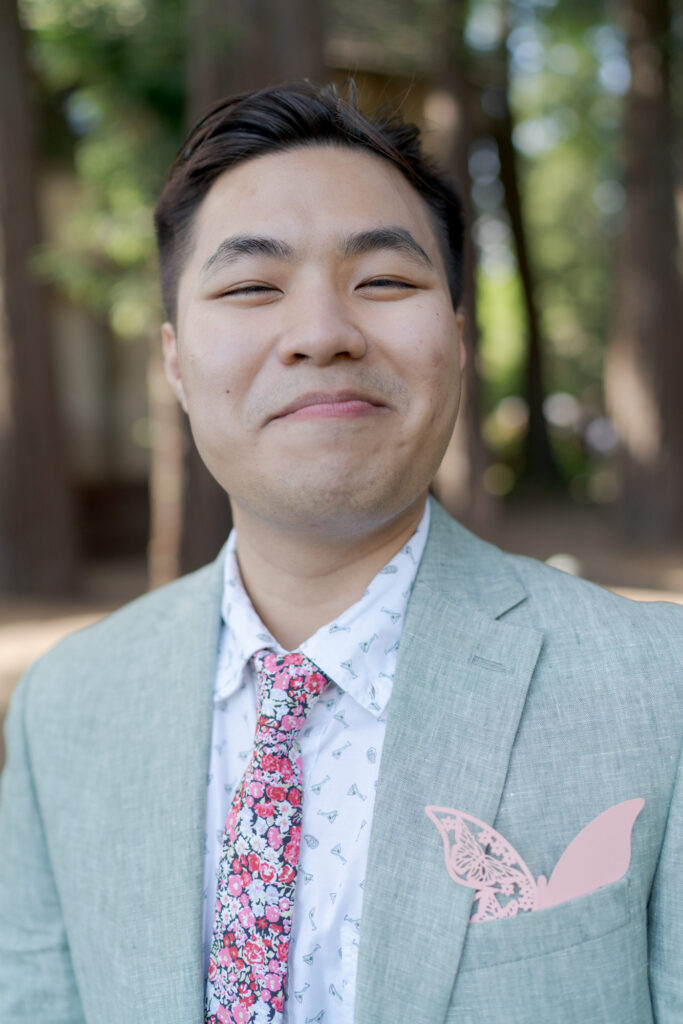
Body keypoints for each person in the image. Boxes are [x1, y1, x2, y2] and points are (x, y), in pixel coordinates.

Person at [0, 81, 681, 1024]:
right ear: (174, 363)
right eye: (249, 288)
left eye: (384, 282)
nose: (321, 334)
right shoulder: (65, 708)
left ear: (454, 335)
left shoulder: (658, 688)